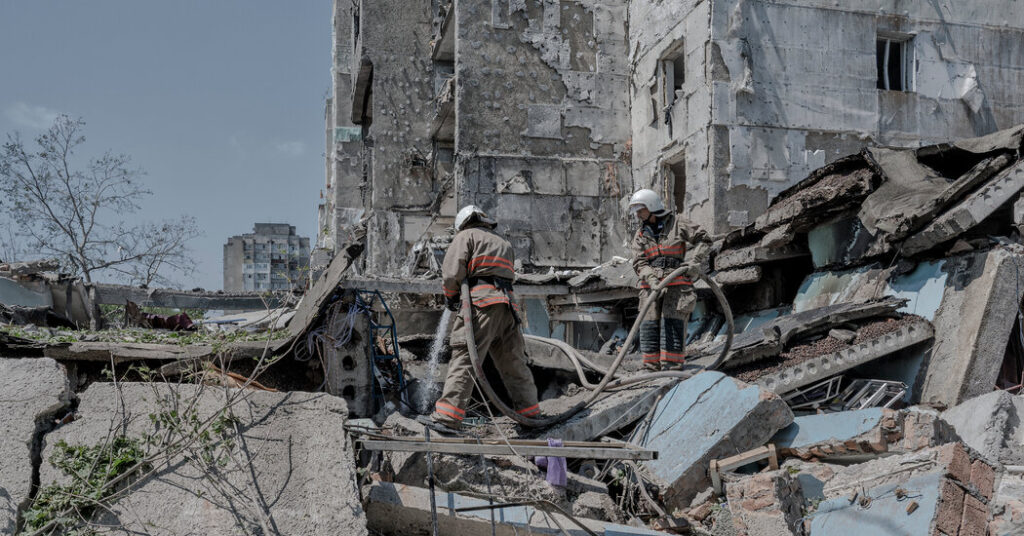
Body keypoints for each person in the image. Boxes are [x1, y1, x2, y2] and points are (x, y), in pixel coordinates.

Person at [431, 205, 540, 430]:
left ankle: (448, 417)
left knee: (465, 356)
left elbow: (452, 273)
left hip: (480, 306)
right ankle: (530, 414)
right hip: (507, 308)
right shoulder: (503, 242)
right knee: (513, 362)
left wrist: (451, 297)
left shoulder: (466, 236)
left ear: (462, 223)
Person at [628, 189, 710, 371]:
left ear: (651, 206)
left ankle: (672, 367)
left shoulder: (678, 223)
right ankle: (651, 368)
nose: (638, 214)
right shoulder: (640, 235)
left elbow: (704, 239)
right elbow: (639, 261)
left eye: (640, 210)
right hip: (651, 287)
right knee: (648, 325)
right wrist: (651, 278)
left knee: (672, 324)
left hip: (677, 285)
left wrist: (694, 263)